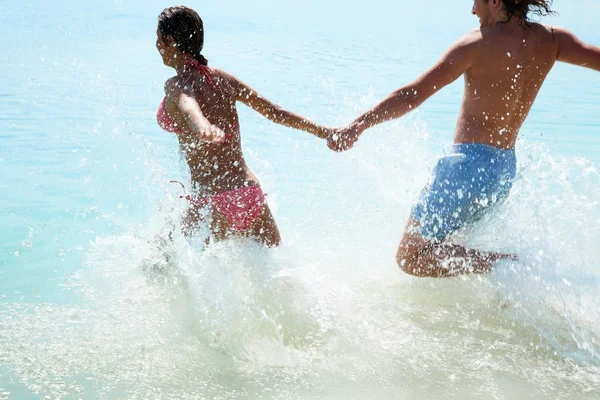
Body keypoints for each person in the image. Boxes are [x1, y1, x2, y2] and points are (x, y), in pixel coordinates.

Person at [328, 0, 600, 277]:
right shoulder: (553, 40)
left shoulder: (476, 44)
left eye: (476, 1)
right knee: (451, 248)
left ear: (495, 1)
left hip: (466, 168)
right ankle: (507, 281)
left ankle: (514, 266)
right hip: (503, 170)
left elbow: (413, 94)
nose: (472, 10)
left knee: (411, 257)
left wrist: (357, 125)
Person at [156, 6, 330, 247]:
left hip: (212, 199)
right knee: (281, 271)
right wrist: (324, 131)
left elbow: (189, 104)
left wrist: (202, 125)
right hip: (250, 194)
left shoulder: (176, 83)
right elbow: (275, 112)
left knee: (165, 257)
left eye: (158, 38)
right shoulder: (224, 78)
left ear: (170, 41)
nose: (157, 45)